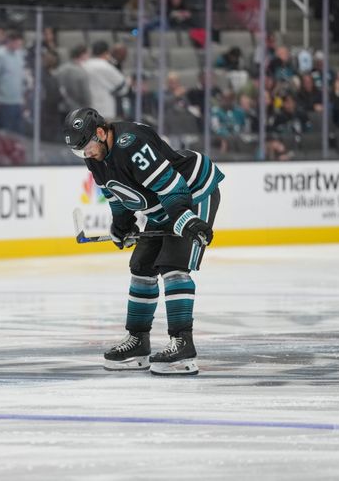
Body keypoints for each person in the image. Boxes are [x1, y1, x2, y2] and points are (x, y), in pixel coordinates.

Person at [63, 107, 224, 376]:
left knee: (173, 266)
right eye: (80, 151)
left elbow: (172, 187)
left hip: (193, 193)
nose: (86, 155)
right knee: (141, 267)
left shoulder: (132, 143)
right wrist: (122, 225)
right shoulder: (95, 156)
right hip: (164, 204)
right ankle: (138, 342)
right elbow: (116, 195)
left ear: (101, 133)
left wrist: (185, 220)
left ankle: (183, 344)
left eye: (87, 147)